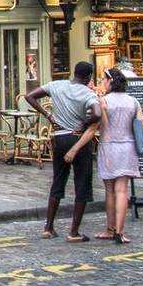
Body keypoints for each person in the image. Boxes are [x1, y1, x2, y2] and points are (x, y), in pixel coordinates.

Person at [63, 68, 143, 244]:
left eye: (103, 80)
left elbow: (94, 128)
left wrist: (75, 148)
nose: (102, 82)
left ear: (110, 81)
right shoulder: (133, 102)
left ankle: (110, 229)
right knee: (122, 190)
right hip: (128, 147)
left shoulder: (103, 101)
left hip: (109, 147)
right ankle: (120, 231)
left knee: (110, 190)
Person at [25, 60, 101, 243]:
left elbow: (30, 96)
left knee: (58, 181)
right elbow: (97, 114)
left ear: (74, 73)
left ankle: (49, 227)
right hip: (78, 138)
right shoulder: (87, 93)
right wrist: (84, 123)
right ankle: (73, 232)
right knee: (82, 184)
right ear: (89, 77)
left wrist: (48, 116)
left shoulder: (57, 85)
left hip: (59, 136)